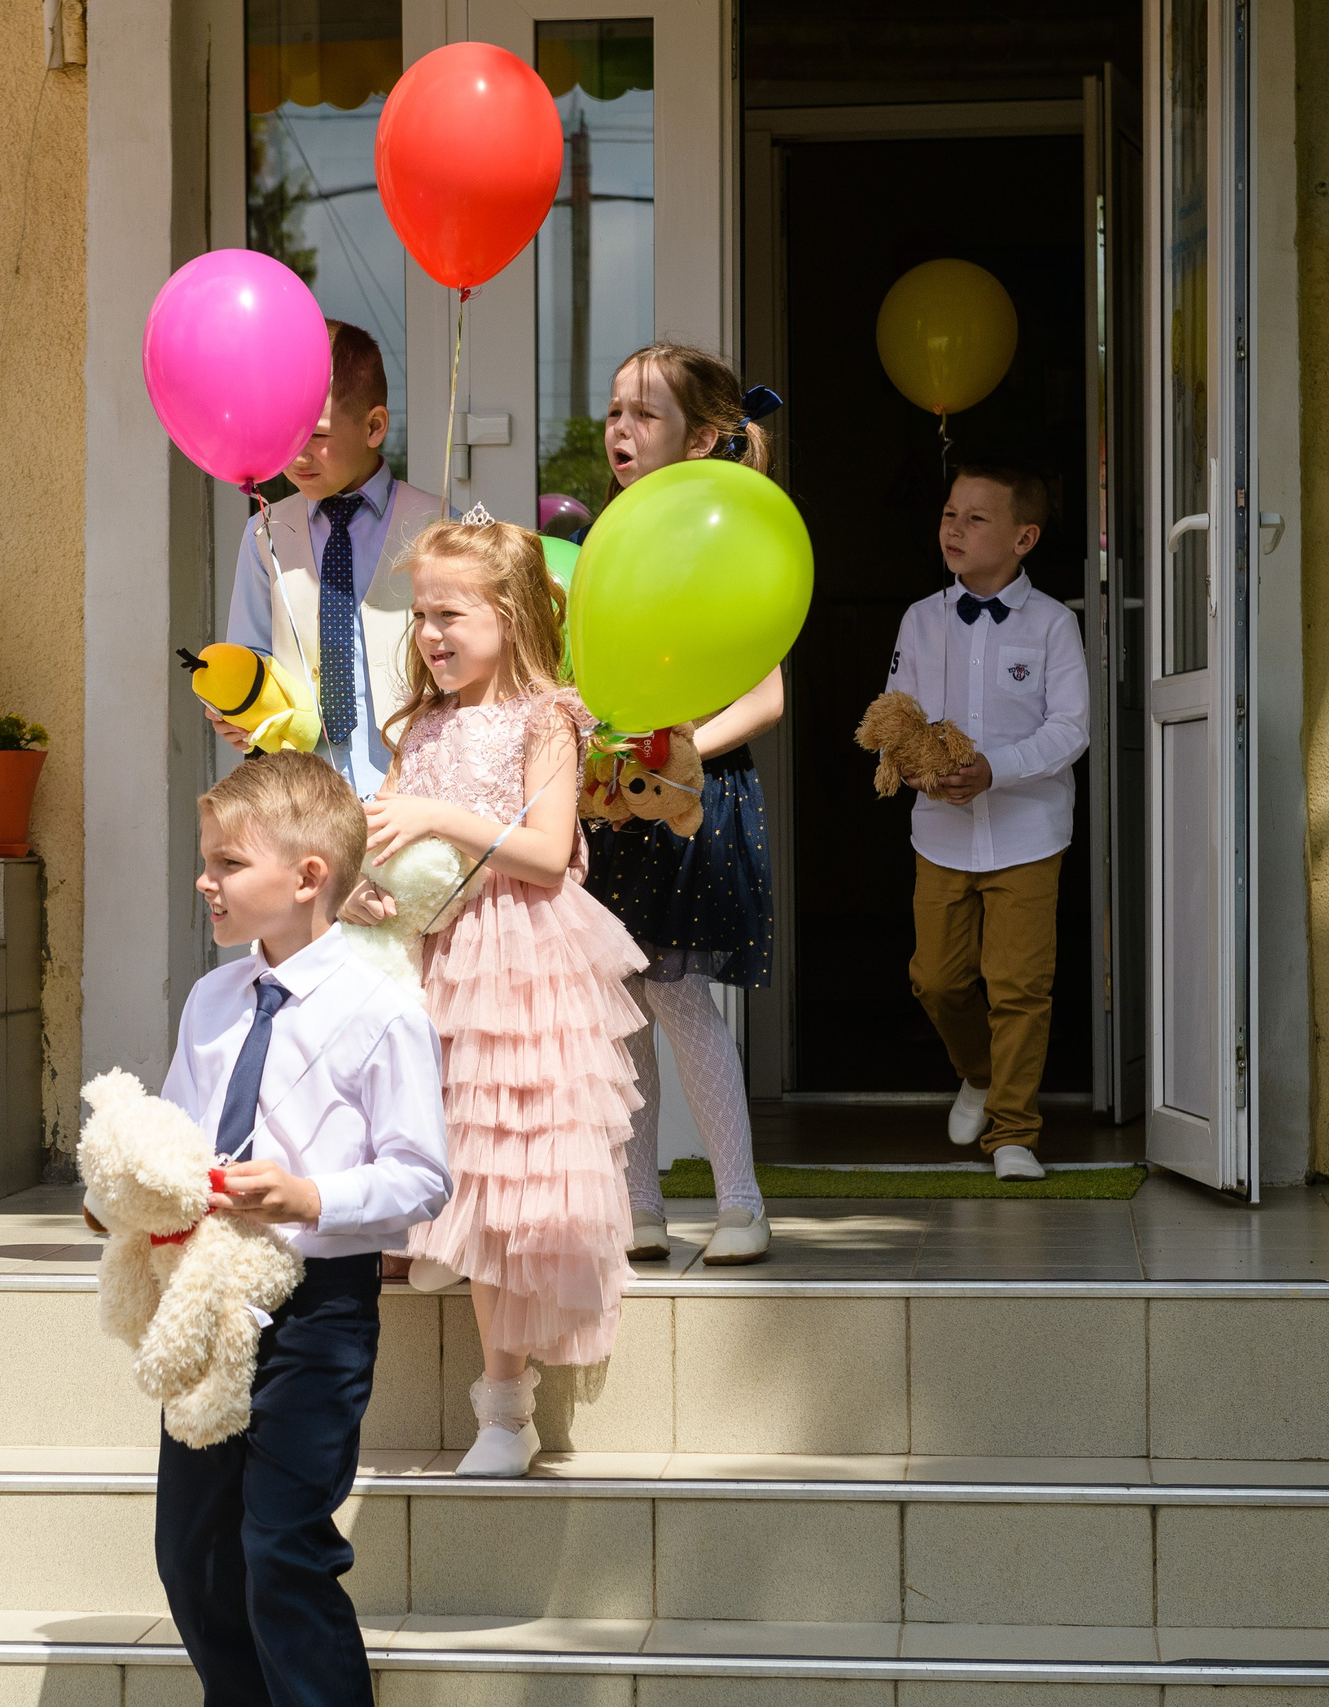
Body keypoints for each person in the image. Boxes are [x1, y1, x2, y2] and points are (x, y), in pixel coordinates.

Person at [344, 513, 647, 1478]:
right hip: (427, 955)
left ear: (511, 615)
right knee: (436, 1141)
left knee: (505, 1165)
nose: (430, 633)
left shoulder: (545, 717)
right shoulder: (422, 724)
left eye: (451, 614)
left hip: (513, 955)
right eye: (420, 614)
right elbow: (389, 838)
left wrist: (437, 813)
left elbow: (550, 852)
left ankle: (506, 1406)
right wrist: (362, 883)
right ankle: (420, 1243)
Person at [153, 749, 451, 1707]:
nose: (205, 880)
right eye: (206, 860)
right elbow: (173, 1135)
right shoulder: (212, 1001)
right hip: (211, 1303)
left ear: (308, 875)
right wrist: (132, 1191)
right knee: (191, 1554)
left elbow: (422, 1175)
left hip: (318, 1310)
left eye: (228, 863)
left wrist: (310, 1197)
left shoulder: (382, 1011)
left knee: (283, 1545)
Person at [578, 344, 786, 1266]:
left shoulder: (723, 533)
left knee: (674, 986)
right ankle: (640, 1205)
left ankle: (740, 1200)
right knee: (621, 995)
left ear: (701, 438)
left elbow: (766, 695)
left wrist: (682, 750)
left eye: (645, 414)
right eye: (614, 412)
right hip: (617, 797)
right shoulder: (608, 535)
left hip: (689, 797)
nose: (621, 430)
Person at [885, 463, 1090, 1181]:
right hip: (940, 833)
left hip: (1029, 831)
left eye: (976, 519)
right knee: (937, 981)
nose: (955, 529)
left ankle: (1013, 1134)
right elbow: (896, 716)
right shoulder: (921, 619)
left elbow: (1071, 728)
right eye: (950, 513)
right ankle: (979, 1072)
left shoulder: (1054, 623)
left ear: (1023, 538)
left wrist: (993, 768)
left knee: (1019, 986)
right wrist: (914, 767)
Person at [214, 321, 445, 796]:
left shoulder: (441, 525)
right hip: (303, 795)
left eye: (316, 434)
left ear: (374, 427)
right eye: (285, 433)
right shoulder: (264, 533)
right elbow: (253, 657)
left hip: (417, 790)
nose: (298, 454)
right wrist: (239, 707)